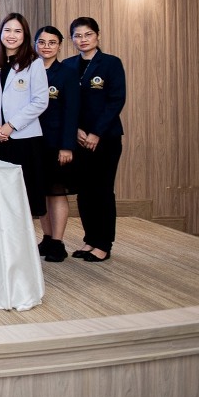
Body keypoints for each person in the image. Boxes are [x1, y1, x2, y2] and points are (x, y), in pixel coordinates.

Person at [66, 17, 125, 263]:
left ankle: (103, 244)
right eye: (78, 36)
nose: (83, 40)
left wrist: (96, 132)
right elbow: (65, 104)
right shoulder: (68, 65)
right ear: (72, 39)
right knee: (84, 191)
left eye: (88, 34)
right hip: (77, 138)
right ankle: (90, 240)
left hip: (105, 138)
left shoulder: (111, 63)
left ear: (97, 35)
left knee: (102, 190)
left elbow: (116, 100)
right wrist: (75, 130)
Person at [0, 12, 49, 218]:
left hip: (24, 139)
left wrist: (11, 125)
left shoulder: (34, 63)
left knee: (24, 197)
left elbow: (40, 101)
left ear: (25, 35)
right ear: (0, 34)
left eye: (17, 31)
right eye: (7, 30)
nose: (11, 35)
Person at [34, 25, 81, 262]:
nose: (46, 47)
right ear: (35, 44)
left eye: (52, 42)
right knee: (41, 192)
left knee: (56, 192)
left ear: (60, 46)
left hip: (56, 143)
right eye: (42, 42)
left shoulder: (67, 73)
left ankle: (58, 242)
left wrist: (67, 145)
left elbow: (72, 112)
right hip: (33, 142)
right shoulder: (28, 71)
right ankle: (46, 237)